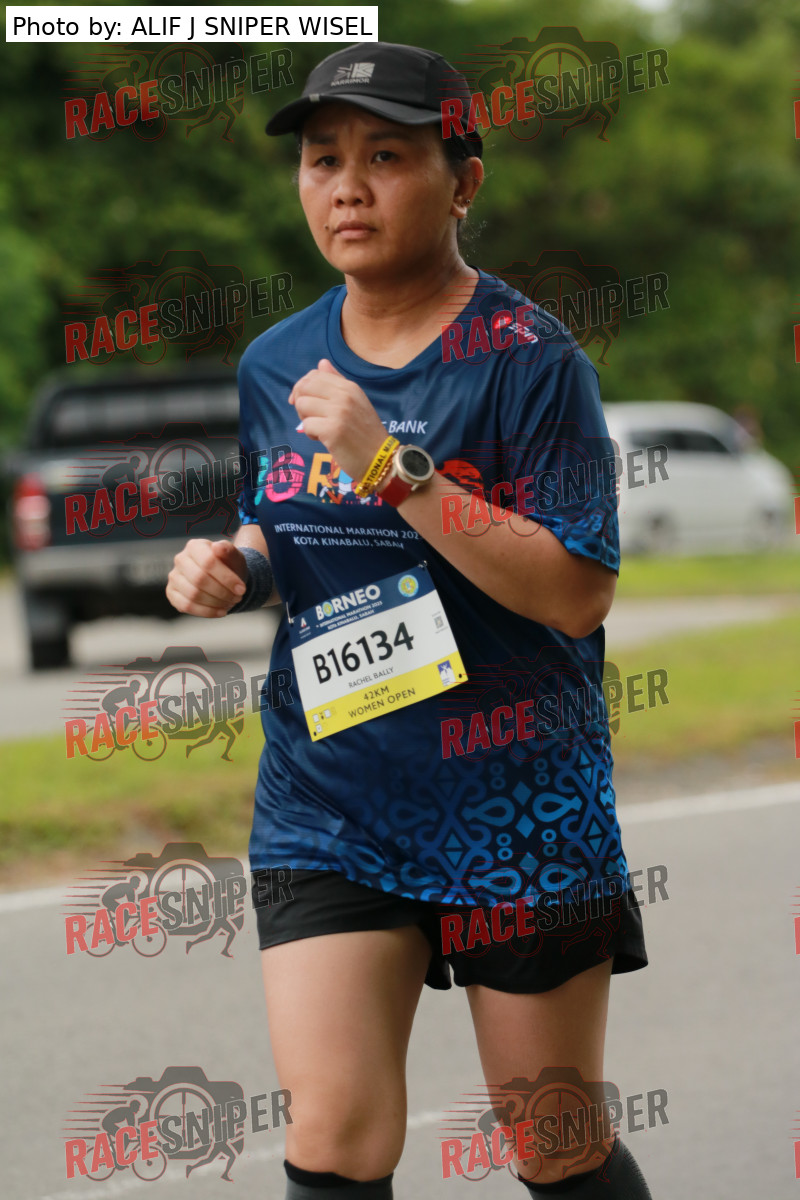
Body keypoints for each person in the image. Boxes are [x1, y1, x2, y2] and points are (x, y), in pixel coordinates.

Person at [166, 41, 651, 1200]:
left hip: (513, 801)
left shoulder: (533, 361)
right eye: (322, 160)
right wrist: (235, 567)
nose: (347, 187)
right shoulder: (276, 361)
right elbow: (281, 523)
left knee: (551, 1139)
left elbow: (575, 588)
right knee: (332, 1135)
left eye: (385, 157)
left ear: (462, 179)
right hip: (328, 799)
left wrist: (390, 465)